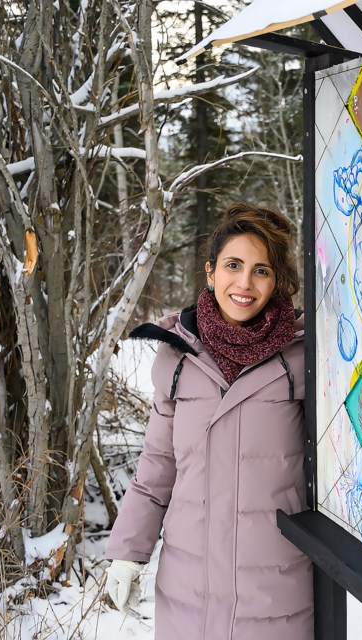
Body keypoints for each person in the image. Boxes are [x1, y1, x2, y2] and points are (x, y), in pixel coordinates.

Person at [104, 203, 312, 639]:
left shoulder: (304, 357)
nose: (244, 283)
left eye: (261, 270)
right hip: (188, 588)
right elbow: (157, 467)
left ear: (275, 283)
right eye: (233, 265)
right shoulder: (179, 356)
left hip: (277, 589)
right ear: (211, 272)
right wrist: (128, 551)